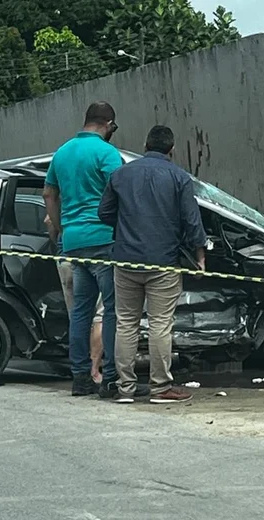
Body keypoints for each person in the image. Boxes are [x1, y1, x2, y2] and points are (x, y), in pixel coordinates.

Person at [98, 125, 207, 404]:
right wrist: (199, 256)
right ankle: (160, 389)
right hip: (164, 262)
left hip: (125, 260)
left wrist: (125, 228)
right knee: (160, 325)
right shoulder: (179, 178)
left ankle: (125, 389)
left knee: (126, 324)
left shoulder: (120, 175)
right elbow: (191, 221)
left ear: (145, 145)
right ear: (171, 150)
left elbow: (105, 212)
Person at [43, 101, 130, 397]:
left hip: (74, 244)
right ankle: (109, 379)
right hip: (104, 239)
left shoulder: (62, 152)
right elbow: (122, 194)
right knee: (112, 312)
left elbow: (48, 193)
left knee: (80, 311)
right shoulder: (107, 153)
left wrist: (62, 228)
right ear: (108, 124)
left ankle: (80, 377)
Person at [44, 213, 104, 383]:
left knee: (78, 316)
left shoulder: (64, 191)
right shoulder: (100, 191)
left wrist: (62, 238)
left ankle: (79, 372)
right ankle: (94, 370)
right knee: (101, 316)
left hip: (67, 255)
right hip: (98, 250)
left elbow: (49, 220)